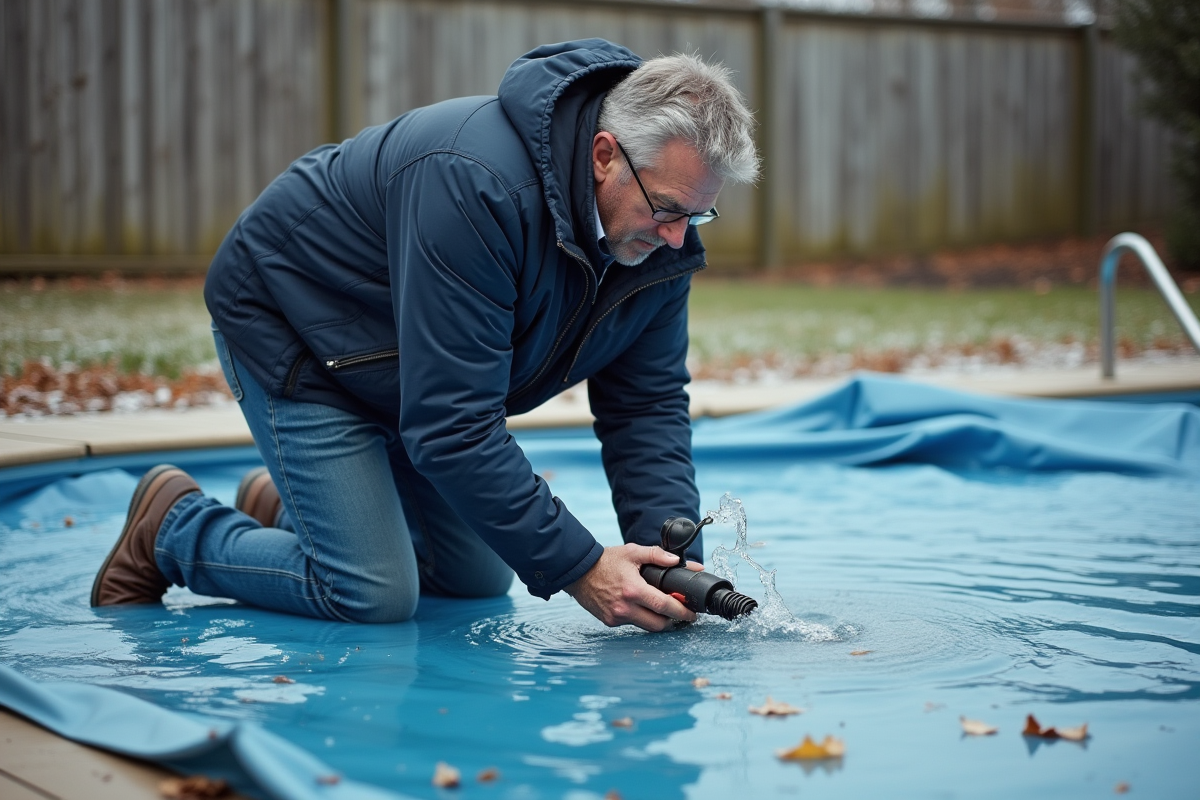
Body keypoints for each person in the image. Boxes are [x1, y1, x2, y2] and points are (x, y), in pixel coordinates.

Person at [90, 39, 759, 632]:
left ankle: (300, 511)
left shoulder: (658, 244)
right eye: (667, 209)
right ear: (604, 156)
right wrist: (584, 568)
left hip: (407, 366)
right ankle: (172, 527)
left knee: (473, 580)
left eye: (699, 217)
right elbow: (452, 425)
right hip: (299, 327)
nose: (676, 238)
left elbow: (644, 407)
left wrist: (671, 567)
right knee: (372, 593)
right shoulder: (477, 183)